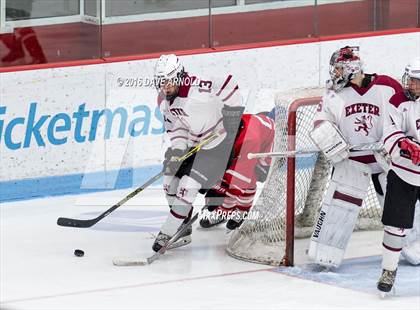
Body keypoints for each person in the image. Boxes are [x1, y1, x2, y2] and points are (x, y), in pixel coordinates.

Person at [307, 46, 404, 268]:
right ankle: (326, 253)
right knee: (340, 207)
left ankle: (415, 246)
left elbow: (406, 112)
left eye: (339, 69)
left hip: (386, 160)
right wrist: (330, 140)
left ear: (353, 68)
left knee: (402, 205)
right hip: (350, 161)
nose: (336, 74)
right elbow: (321, 121)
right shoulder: (334, 93)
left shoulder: (387, 86)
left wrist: (398, 141)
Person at [152, 54, 244, 252]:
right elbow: (177, 128)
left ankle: (167, 232)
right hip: (195, 145)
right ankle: (183, 230)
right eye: (160, 82)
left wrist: (234, 115)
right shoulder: (165, 101)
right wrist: (177, 150)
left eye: (167, 82)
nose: (164, 87)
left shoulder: (198, 87)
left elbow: (230, 84)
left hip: (217, 145)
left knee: (187, 186)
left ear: (178, 77)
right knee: (169, 182)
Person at [377, 58, 420, 294]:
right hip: (403, 173)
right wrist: (405, 144)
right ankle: (389, 270)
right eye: (410, 80)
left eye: (416, 81)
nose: (410, 85)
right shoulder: (398, 101)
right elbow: (389, 134)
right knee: (395, 226)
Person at [199, 110, 275, 230]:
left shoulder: (250, 140)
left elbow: (240, 180)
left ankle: (239, 211)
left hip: (268, 143)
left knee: (250, 178)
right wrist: (216, 187)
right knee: (228, 172)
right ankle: (227, 208)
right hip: (253, 133)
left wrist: (222, 195)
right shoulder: (222, 130)